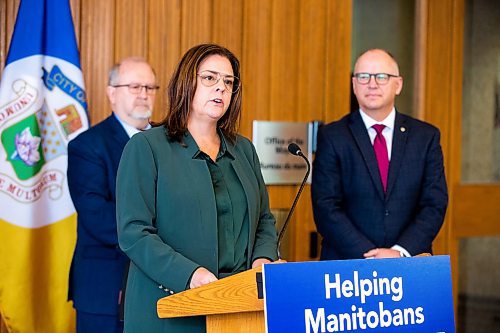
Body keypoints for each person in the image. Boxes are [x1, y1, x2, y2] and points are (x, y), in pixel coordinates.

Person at [115, 43, 278, 332]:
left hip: (239, 307)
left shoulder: (244, 150)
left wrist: (262, 260)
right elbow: (134, 233)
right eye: (210, 78)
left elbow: (264, 219)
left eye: (229, 82)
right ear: (186, 82)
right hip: (170, 306)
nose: (221, 88)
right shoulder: (146, 147)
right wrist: (191, 274)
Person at [311, 49, 448, 260]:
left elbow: (434, 204)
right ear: (354, 85)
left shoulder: (426, 137)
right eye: (363, 77)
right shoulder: (332, 136)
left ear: (398, 84)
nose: (372, 84)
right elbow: (326, 206)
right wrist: (372, 256)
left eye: (382, 77)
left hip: (408, 265)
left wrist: (399, 252)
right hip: (348, 268)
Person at [67, 57, 158, 332]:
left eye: (150, 87)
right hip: (106, 287)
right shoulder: (87, 146)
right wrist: (158, 239)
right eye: (134, 86)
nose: (143, 94)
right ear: (111, 92)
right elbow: (97, 215)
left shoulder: (171, 140)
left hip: (165, 285)